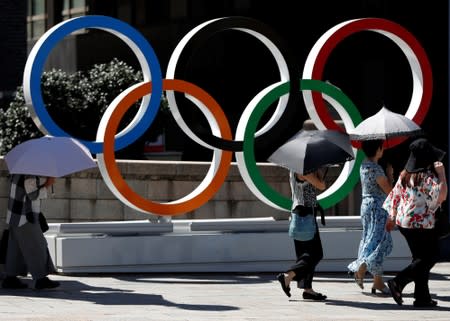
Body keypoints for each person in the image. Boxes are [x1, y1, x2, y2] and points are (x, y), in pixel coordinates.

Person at [383, 138, 447, 308]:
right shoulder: (427, 177)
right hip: (422, 225)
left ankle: (422, 297)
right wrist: (441, 174)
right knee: (431, 257)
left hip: (405, 224)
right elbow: (441, 196)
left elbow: (394, 197)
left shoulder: (404, 174)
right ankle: (398, 282)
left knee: (419, 258)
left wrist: (392, 217)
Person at [348, 140, 393, 294]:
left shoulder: (364, 166)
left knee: (370, 239)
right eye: (382, 147)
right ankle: (362, 266)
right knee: (381, 242)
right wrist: (391, 176)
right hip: (378, 208)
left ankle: (378, 281)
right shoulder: (377, 169)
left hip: (366, 206)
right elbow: (389, 192)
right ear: (378, 149)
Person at [2, 174, 60, 290]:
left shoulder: (20, 171)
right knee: (38, 246)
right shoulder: (29, 173)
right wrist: (48, 183)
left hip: (15, 215)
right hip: (25, 216)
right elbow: (33, 195)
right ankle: (41, 279)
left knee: (16, 249)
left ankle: (10, 279)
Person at [276, 168, 327, 301]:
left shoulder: (300, 169)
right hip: (305, 217)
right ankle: (288, 275)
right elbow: (321, 185)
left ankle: (307, 289)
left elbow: (318, 182)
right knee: (315, 254)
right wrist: (318, 173)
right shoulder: (302, 170)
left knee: (305, 255)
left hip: (303, 216)